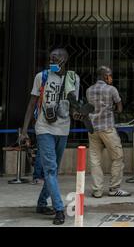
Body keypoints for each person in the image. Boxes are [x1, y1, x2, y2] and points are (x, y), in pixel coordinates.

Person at [18, 48, 80, 225]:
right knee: (51, 170)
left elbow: (73, 106)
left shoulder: (73, 78)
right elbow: (31, 104)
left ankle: (41, 203)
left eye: (56, 57)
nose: (52, 59)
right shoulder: (42, 77)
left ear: (65, 59)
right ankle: (59, 209)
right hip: (44, 128)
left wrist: (78, 114)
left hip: (63, 129)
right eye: (51, 58)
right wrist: (24, 131)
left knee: (53, 170)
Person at [86, 66, 131, 198]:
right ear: (105, 76)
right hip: (107, 128)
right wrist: (111, 109)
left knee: (95, 160)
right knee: (118, 157)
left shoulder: (89, 90)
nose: (111, 78)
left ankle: (97, 190)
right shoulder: (112, 89)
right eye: (110, 75)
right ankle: (114, 188)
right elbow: (120, 108)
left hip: (93, 129)